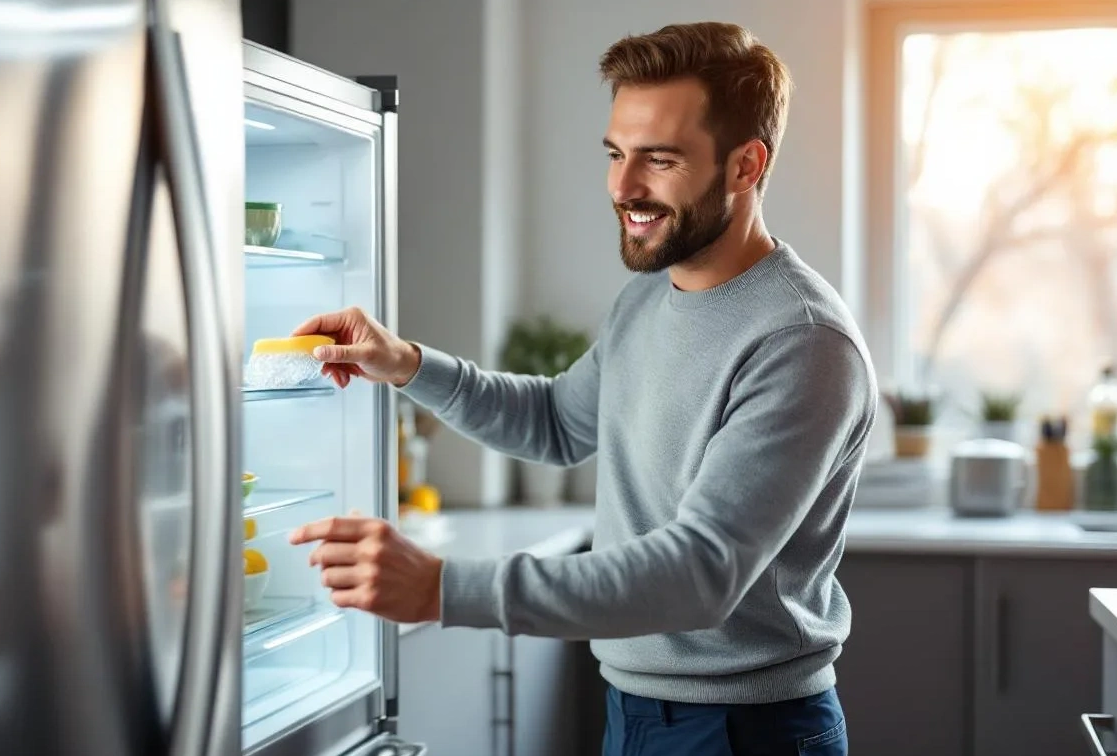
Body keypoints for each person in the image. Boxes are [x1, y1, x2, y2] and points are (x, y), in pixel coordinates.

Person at [287, 21, 876, 756]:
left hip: (744, 732)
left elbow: (700, 573)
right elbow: (558, 423)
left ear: (745, 166)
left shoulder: (803, 339)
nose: (623, 187)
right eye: (616, 154)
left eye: (658, 160)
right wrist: (406, 361)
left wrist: (444, 588)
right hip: (634, 712)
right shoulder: (650, 298)